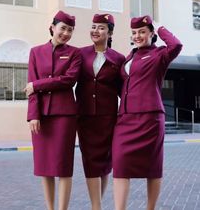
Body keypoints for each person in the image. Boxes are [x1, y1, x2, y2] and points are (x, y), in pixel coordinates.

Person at [112, 15, 183, 210]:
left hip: (149, 118)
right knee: (119, 165)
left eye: (142, 32)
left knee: (152, 167)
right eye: (134, 33)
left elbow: (176, 45)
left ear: (151, 34)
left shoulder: (159, 54)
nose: (137, 36)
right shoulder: (130, 55)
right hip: (125, 118)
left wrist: (160, 27)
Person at [24, 10, 81, 210]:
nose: (66, 33)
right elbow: (30, 90)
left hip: (64, 115)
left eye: (70, 30)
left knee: (63, 167)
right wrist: (33, 115)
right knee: (44, 167)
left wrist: (38, 85)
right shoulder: (35, 52)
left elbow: (68, 81)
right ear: (53, 28)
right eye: (63, 28)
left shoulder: (75, 53)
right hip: (41, 117)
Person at [75, 14, 125, 210]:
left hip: (108, 118)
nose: (96, 30)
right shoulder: (79, 54)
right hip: (85, 116)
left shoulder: (118, 58)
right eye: (93, 26)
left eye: (101, 27)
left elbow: (124, 90)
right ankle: (96, 206)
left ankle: (98, 203)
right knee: (90, 161)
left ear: (110, 32)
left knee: (104, 163)